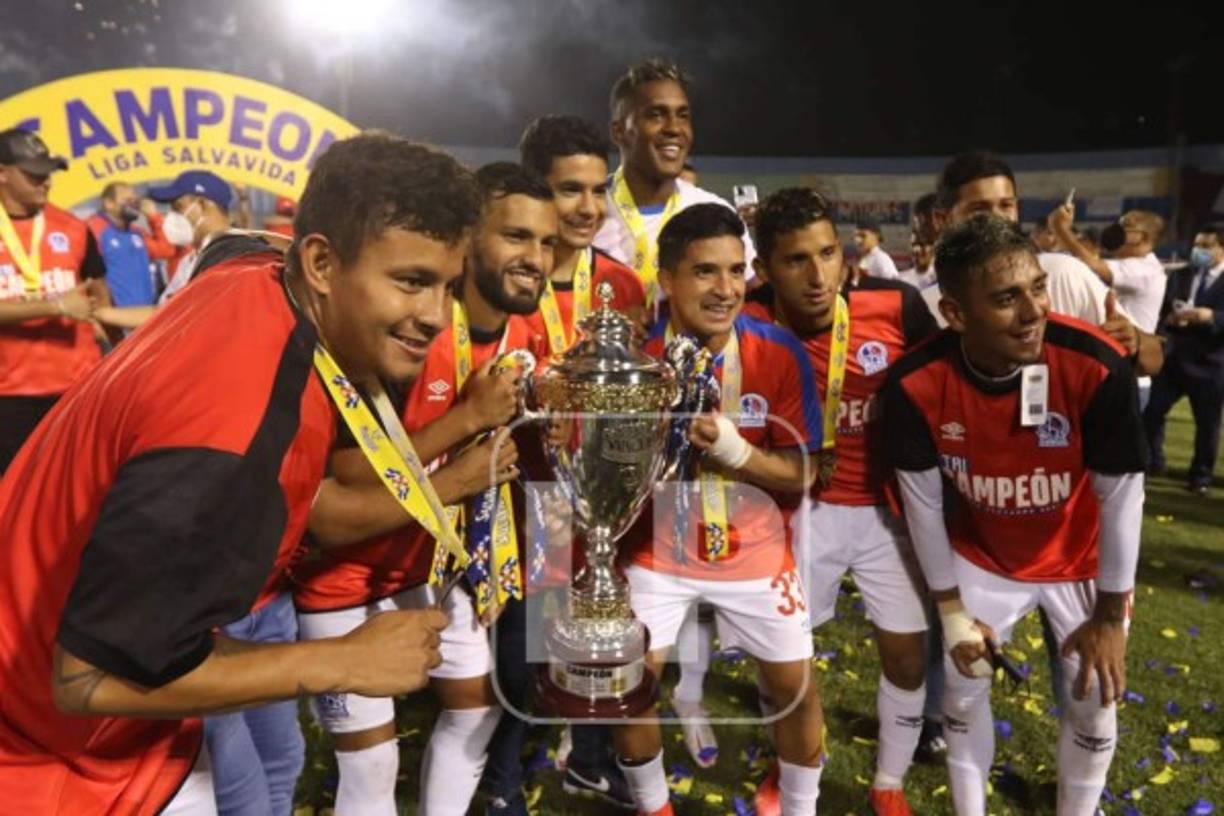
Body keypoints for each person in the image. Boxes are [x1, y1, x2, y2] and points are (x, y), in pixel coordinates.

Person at [0, 131, 478, 814]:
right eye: (411, 281)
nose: (435, 316)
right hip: (59, 759)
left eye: (448, 287)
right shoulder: (235, 441)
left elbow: (234, 243)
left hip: (88, 716)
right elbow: (86, 680)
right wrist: (340, 661)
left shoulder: (253, 272)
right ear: (320, 263)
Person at [293, 161, 556, 816]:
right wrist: (466, 431)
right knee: (372, 765)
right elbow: (348, 471)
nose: (536, 258)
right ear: (468, 239)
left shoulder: (526, 331)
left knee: (475, 709)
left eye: (547, 243)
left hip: (433, 568)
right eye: (517, 237)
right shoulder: (403, 328)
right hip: (344, 577)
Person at [883, 214, 1145, 816]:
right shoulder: (914, 385)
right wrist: (949, 611)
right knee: (964, 685)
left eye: (1037, 287)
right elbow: (923, 507)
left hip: (1078, 556)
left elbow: (1120, 496)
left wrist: (1109, 615)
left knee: (1093, 697)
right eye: (1006, 298)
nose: (1033, 311)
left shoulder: (1097, 363)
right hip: (984, 557)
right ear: (954, 313)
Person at [614, 203, 824, 816]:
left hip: (755, 551)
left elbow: (804, 470)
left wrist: (738, 452)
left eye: (736, 270)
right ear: (667, 281)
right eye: (705, 272)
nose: (726, 288)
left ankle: (800, 807)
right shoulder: (631, 363)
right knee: (628, 685)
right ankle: (654, 808)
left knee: (795, 689)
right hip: (655, 553)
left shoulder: (779, 352)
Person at [740, 188, 938, 816]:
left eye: (828, 252)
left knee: (907, 659)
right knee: (787, 664)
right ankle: (790, 764)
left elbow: (947, 379)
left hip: (886, 515)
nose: (819, 274)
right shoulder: (745, 320)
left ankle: (888, 782)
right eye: (796, 260)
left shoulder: (896, 306)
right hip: (798, 514)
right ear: (766, 269)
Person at [932, 150, 1162, 377]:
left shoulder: (1062, 273)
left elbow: (1152, 361)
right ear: (942, 220)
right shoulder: (924, 306)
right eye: (979, 209)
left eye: (1006, 205)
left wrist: (1135, 342)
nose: (997, 218)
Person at [594, 58, 756, 309]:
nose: (674, 128)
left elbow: (747, 299)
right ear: (618, 132)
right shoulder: (589, 212)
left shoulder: (714, 210)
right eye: (656, 115)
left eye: (683, 116)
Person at [0, 127, 107, 474]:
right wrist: (56, 306)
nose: (45, 182)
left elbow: (97, 293)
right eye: (34, 174)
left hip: (75, 388)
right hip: (9, 395)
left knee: (73, 490)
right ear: (3, 173)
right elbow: (68, 302)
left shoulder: (74, 227)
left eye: (48, 173)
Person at [1144, 224, 1224, 496]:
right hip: (1176, 359)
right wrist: (1170, 318)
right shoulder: (1183, 275)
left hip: (1211, 364)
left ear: (1221, 249)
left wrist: (1211, 317)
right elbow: (1165, 307)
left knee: (1207, 425)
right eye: (1197, 244)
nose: (1198, 250)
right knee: (1152, 412)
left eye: (1206, 245)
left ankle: (1200, 477)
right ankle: (1153, 462)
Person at [1050, 206, 1168, 336]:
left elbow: (1092, 266)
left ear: (1143, 237)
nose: (1117, 229)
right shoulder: (1130, 263)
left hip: (1131, 347)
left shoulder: (1146, 270)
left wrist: (1061, 229)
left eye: (1126, 225)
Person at [148, 170, 236, 302]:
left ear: (202, 205)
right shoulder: (190, 260)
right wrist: (105, 314)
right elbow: (164, 312)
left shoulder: (236, 260)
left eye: (178, 207)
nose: (170, 216)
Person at [87, 181, 164, 309]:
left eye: (135, 201)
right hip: (116, 314)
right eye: (128, 200)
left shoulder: (136, 232)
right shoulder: (93, 229)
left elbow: (165, 250)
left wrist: (154, 217)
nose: (133, 205)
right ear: (109, 203)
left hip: (145, 311)